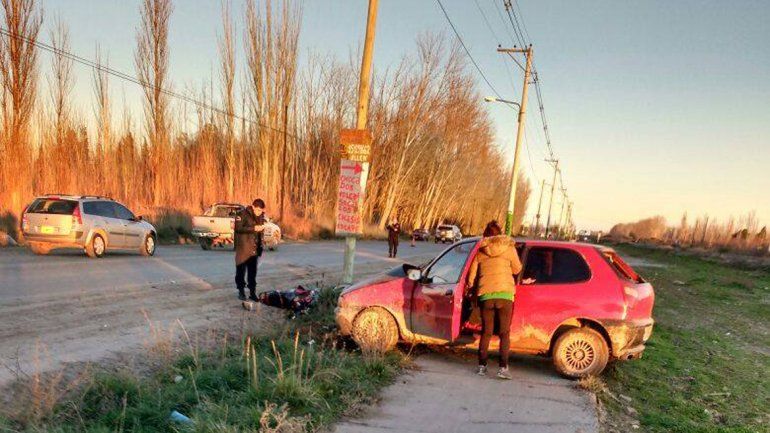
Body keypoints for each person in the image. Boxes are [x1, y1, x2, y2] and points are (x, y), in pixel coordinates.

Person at [466, 220, 522, 379]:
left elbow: (472, 276)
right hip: (505, 295)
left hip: (486, 295)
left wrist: (470, 288)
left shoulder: (481, 250)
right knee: (504, 333)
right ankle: (503, 369)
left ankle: (482, 367)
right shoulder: (509, 248)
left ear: (486, 235)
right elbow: (517, 268)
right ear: (500, 234)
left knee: (487, 332)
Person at [234, 198, 266, 301]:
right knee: (241, 271)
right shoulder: (242, 214)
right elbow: (238, 228)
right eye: (257, 210)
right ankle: (241, 291)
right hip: (243, 248)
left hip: (254, 249)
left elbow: (260, 232)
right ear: (253, 207)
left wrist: (261, 245)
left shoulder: (261, 216)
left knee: (253, 273)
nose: (259, 212)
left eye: (261, 211)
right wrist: (253, 228)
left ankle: (252, 292)